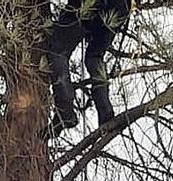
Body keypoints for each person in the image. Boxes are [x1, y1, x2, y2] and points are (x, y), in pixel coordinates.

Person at [44, 0, 131, 136]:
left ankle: (65, 111)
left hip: (90, 4)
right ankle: (105, 112)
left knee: (58, 51)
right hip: (120, 8)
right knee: (95, 57)